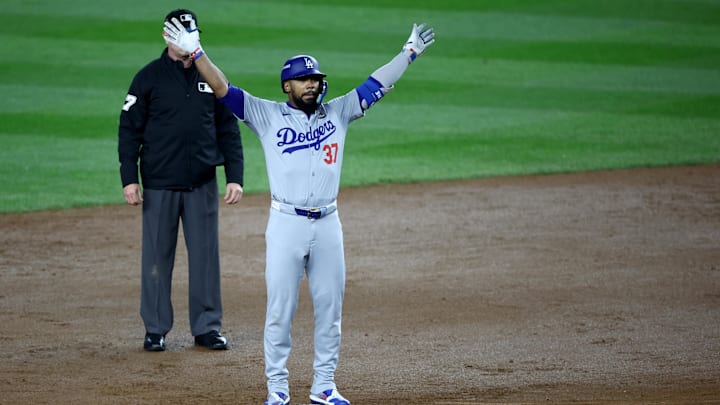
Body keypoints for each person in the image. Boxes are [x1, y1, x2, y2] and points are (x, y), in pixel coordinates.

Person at [164, 18, 434, 405]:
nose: (313, 84)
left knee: (330, 309)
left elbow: (377, 84)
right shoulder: (265, 114)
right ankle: (277, 388)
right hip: (286, 224)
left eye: (316, 78)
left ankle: (324, 385)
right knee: (280, 310)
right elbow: (223, 90)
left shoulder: (340, 111)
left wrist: (408, 53)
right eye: (304, 79)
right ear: (287, 86)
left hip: (328, 224)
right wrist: (198, 54)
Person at [118, 9, 244, 352]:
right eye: (180, 35)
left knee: (205, 257)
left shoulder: (212, 78)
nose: (188, 42)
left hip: (203, 182)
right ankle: (156, 329)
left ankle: (207, 328)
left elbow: (228, 129)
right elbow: (129, 131)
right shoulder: (148, 78)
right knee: (157, 260)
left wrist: (235, 177)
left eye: (192, 34)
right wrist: (130, 179)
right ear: (166, 37)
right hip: (159, 183)